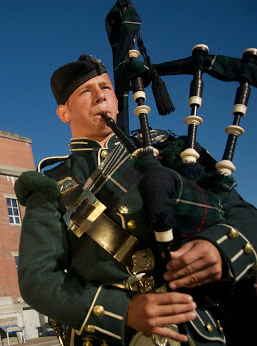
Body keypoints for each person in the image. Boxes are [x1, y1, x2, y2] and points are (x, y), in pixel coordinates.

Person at [15, 55, 257, 345]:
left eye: (105, 87)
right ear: (64, 113)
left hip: (200, 330)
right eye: (85, 91)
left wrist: (220, 248)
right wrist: (123, 311)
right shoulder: (52, 185)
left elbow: (240, 210)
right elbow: (37, 278)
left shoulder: (171, 149)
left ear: (117, 102)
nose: (100, 94)